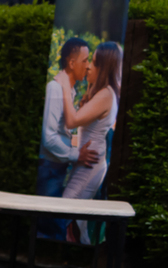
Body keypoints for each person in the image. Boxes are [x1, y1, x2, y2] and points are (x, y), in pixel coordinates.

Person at [58, 41, 122, 244]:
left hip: (90, 166)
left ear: (104, 67)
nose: (88, 67)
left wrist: (64, 85)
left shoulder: (106, 94)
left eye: (93, 62)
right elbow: (84, 133)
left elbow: (72, 121)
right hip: (87, 162)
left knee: (64, 210)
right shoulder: (104, 93)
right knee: (76, 221)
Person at [36, 37, 99, 240]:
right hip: (49, 170)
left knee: (54, 227)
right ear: (71, 63)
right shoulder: (55, 89)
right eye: (84, 60)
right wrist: (76, 155)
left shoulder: (69, 90)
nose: (88, 65)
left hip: (56, 169)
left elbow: (62, 132)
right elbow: (48, 137)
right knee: (50, 229)